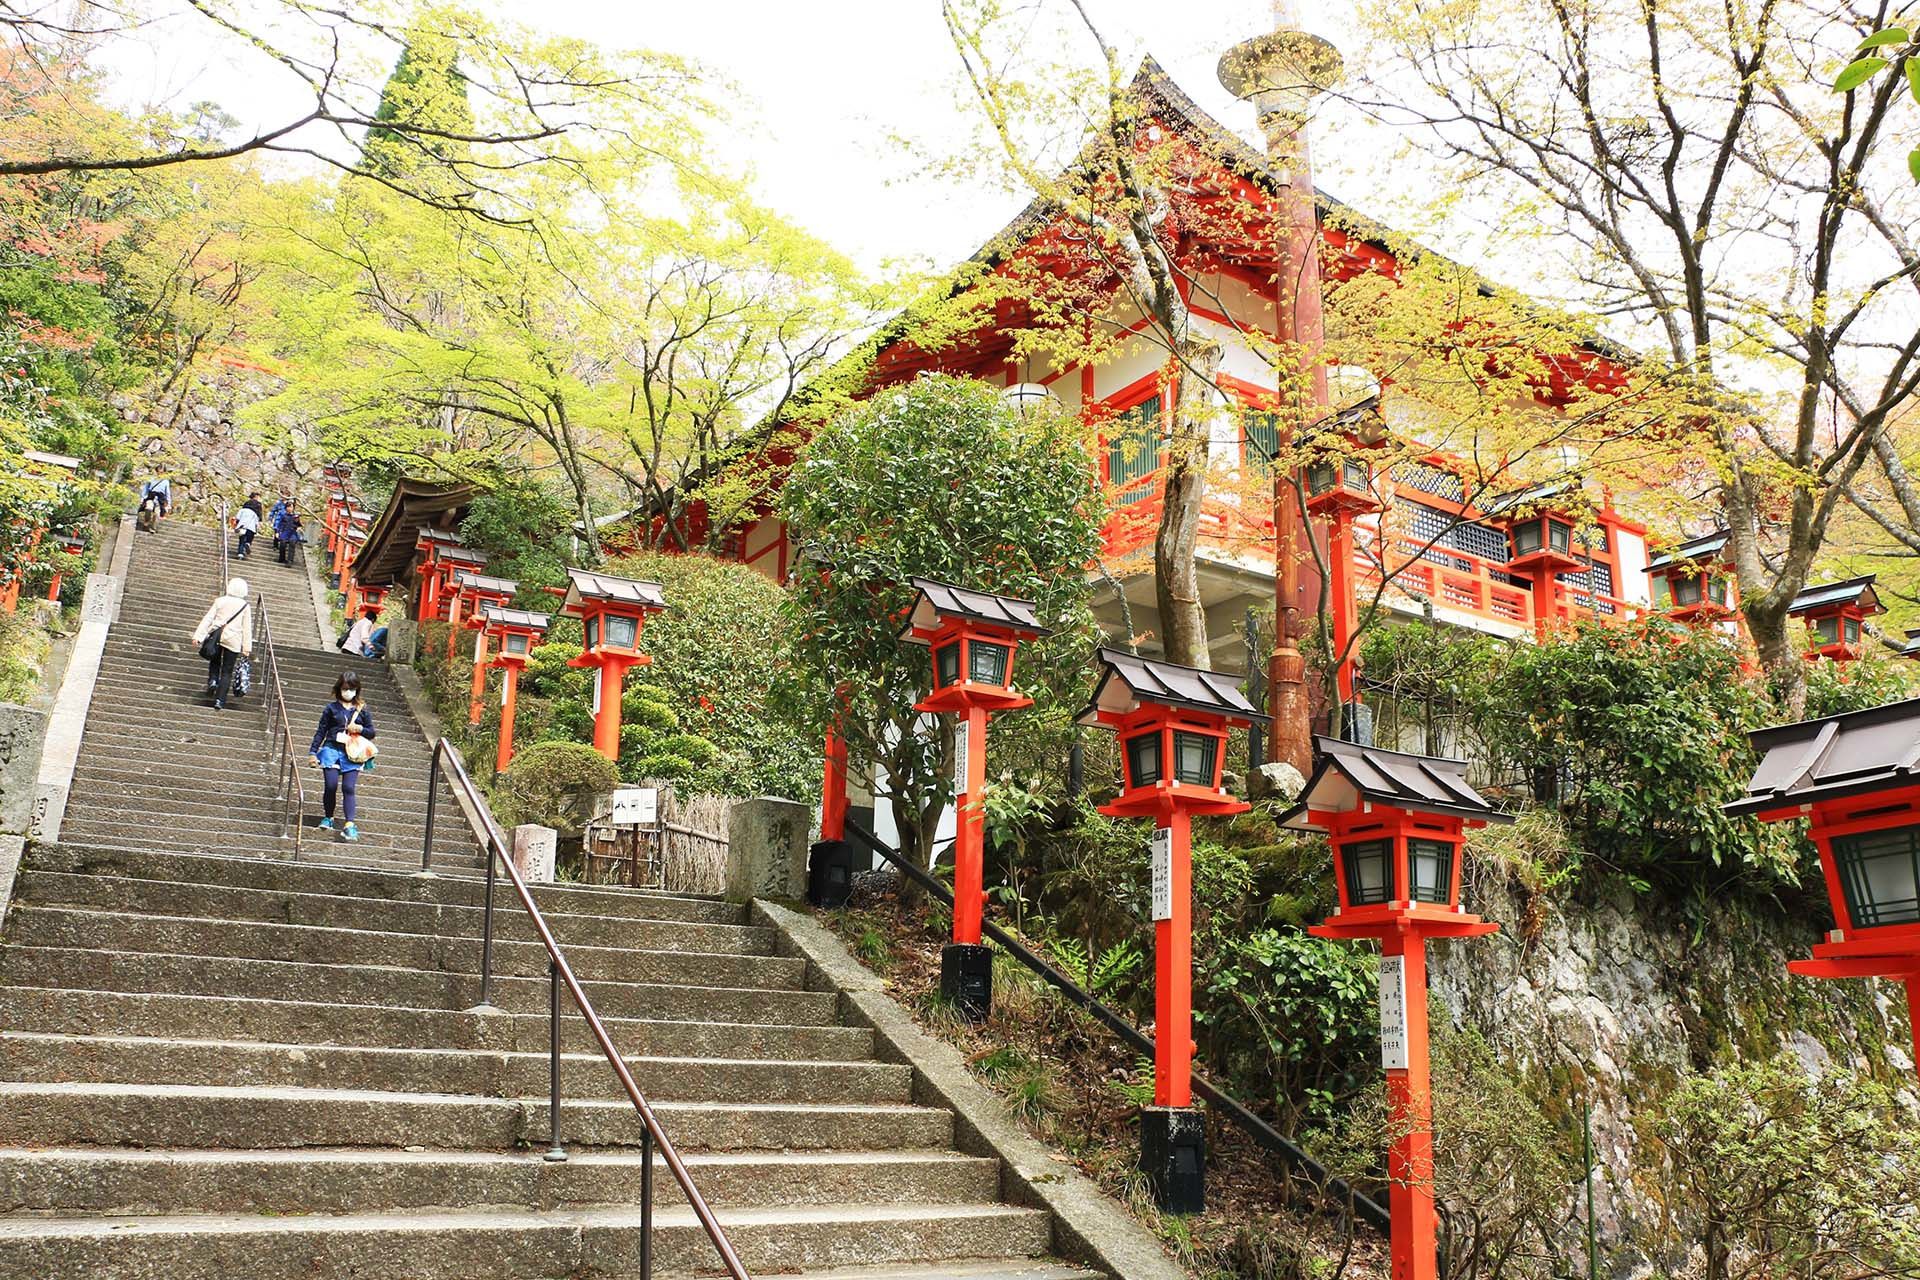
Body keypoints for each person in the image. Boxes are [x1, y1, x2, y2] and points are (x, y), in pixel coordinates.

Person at [309, 671, 376, 841]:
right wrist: (312, 752)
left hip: (352, 753)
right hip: (331, 749)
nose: (348, 692)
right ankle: (328, 817)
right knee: (331, 785)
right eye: (346, 688)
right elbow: (321, 731)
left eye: (352, 689)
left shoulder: (362, 709)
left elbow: (371, 732)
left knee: (348, 788)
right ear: (339, 688)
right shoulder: (331, 708)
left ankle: (349, 824)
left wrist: (360, 729)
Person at [190, 578, 253, 710]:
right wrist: (246, 647)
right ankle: (220, 700)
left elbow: (208, 618)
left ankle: (213, 680)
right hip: (234, 640)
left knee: (215, 661)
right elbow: (247, 627)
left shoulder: (221, 601)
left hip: (217, 637)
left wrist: (198, 636)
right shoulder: (245, 606)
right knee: (227, 671)